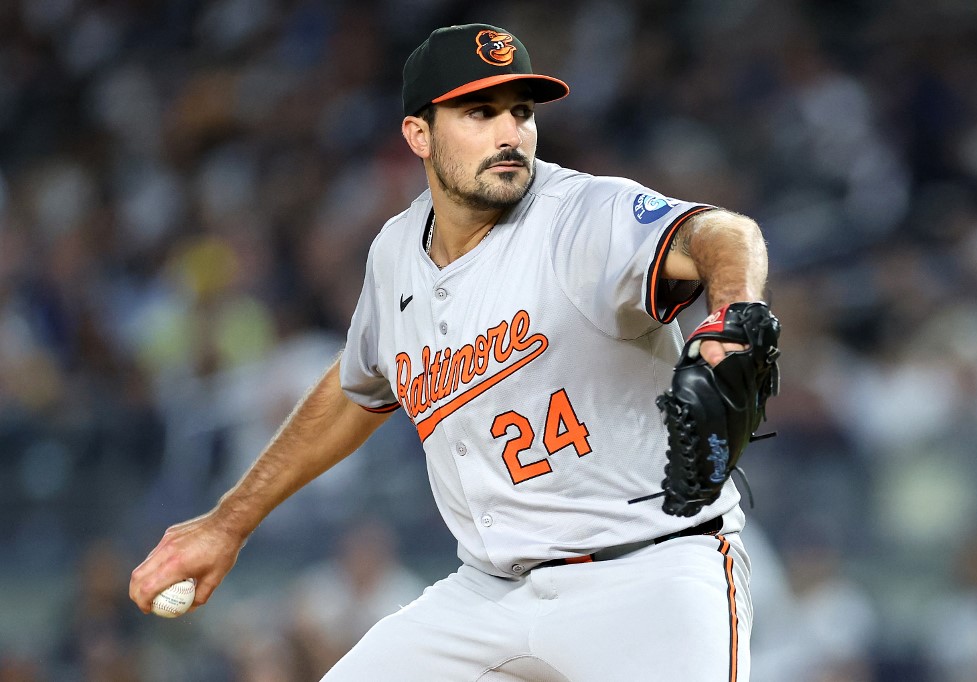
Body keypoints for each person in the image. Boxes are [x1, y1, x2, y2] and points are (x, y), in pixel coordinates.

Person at [129, 23, 771, 681]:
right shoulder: (395, 252)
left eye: (521, 112)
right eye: (478, 112)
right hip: (488, 594)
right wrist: (228, 523)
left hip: (645, 575)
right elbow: (358, 390)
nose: (509, 132)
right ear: (418, 134)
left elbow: (718, 231)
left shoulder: (581, 216)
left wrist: (735, 310)